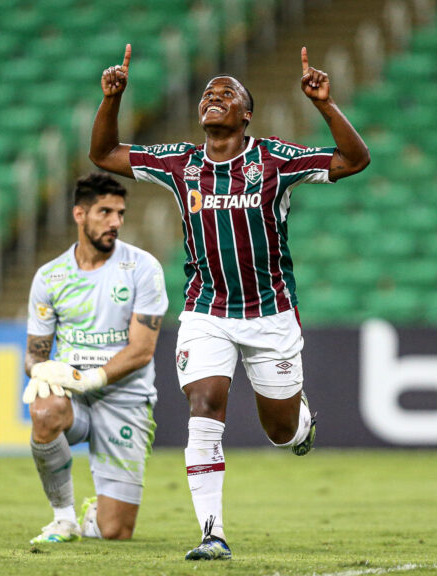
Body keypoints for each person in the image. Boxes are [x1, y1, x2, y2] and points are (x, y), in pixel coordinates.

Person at [89, 44, 370, 559]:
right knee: (204, 406)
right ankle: (211, 533)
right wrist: (113, 99)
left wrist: (325, 104)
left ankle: (300, 419)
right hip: (206, 312)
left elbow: (355, 159)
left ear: (246, 114)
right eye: (207, 93)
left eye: (227, 93)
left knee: (281, 433)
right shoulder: (180, 163)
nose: (213, 97)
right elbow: (105, 155)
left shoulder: (275, 161)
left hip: (270, 314)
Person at [21, 172, 168, 544]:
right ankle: (63, 518)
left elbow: (142, 349)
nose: (115, 222)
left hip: (124, 398)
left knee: (116, 532)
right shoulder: (50, 277)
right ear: (79, 214)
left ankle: (93, 519)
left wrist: (90, 378)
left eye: (120, 213)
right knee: (44, 408)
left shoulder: (143, 268)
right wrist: (41, 370)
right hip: (73, 395)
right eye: (105, 212)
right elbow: (34, 354)